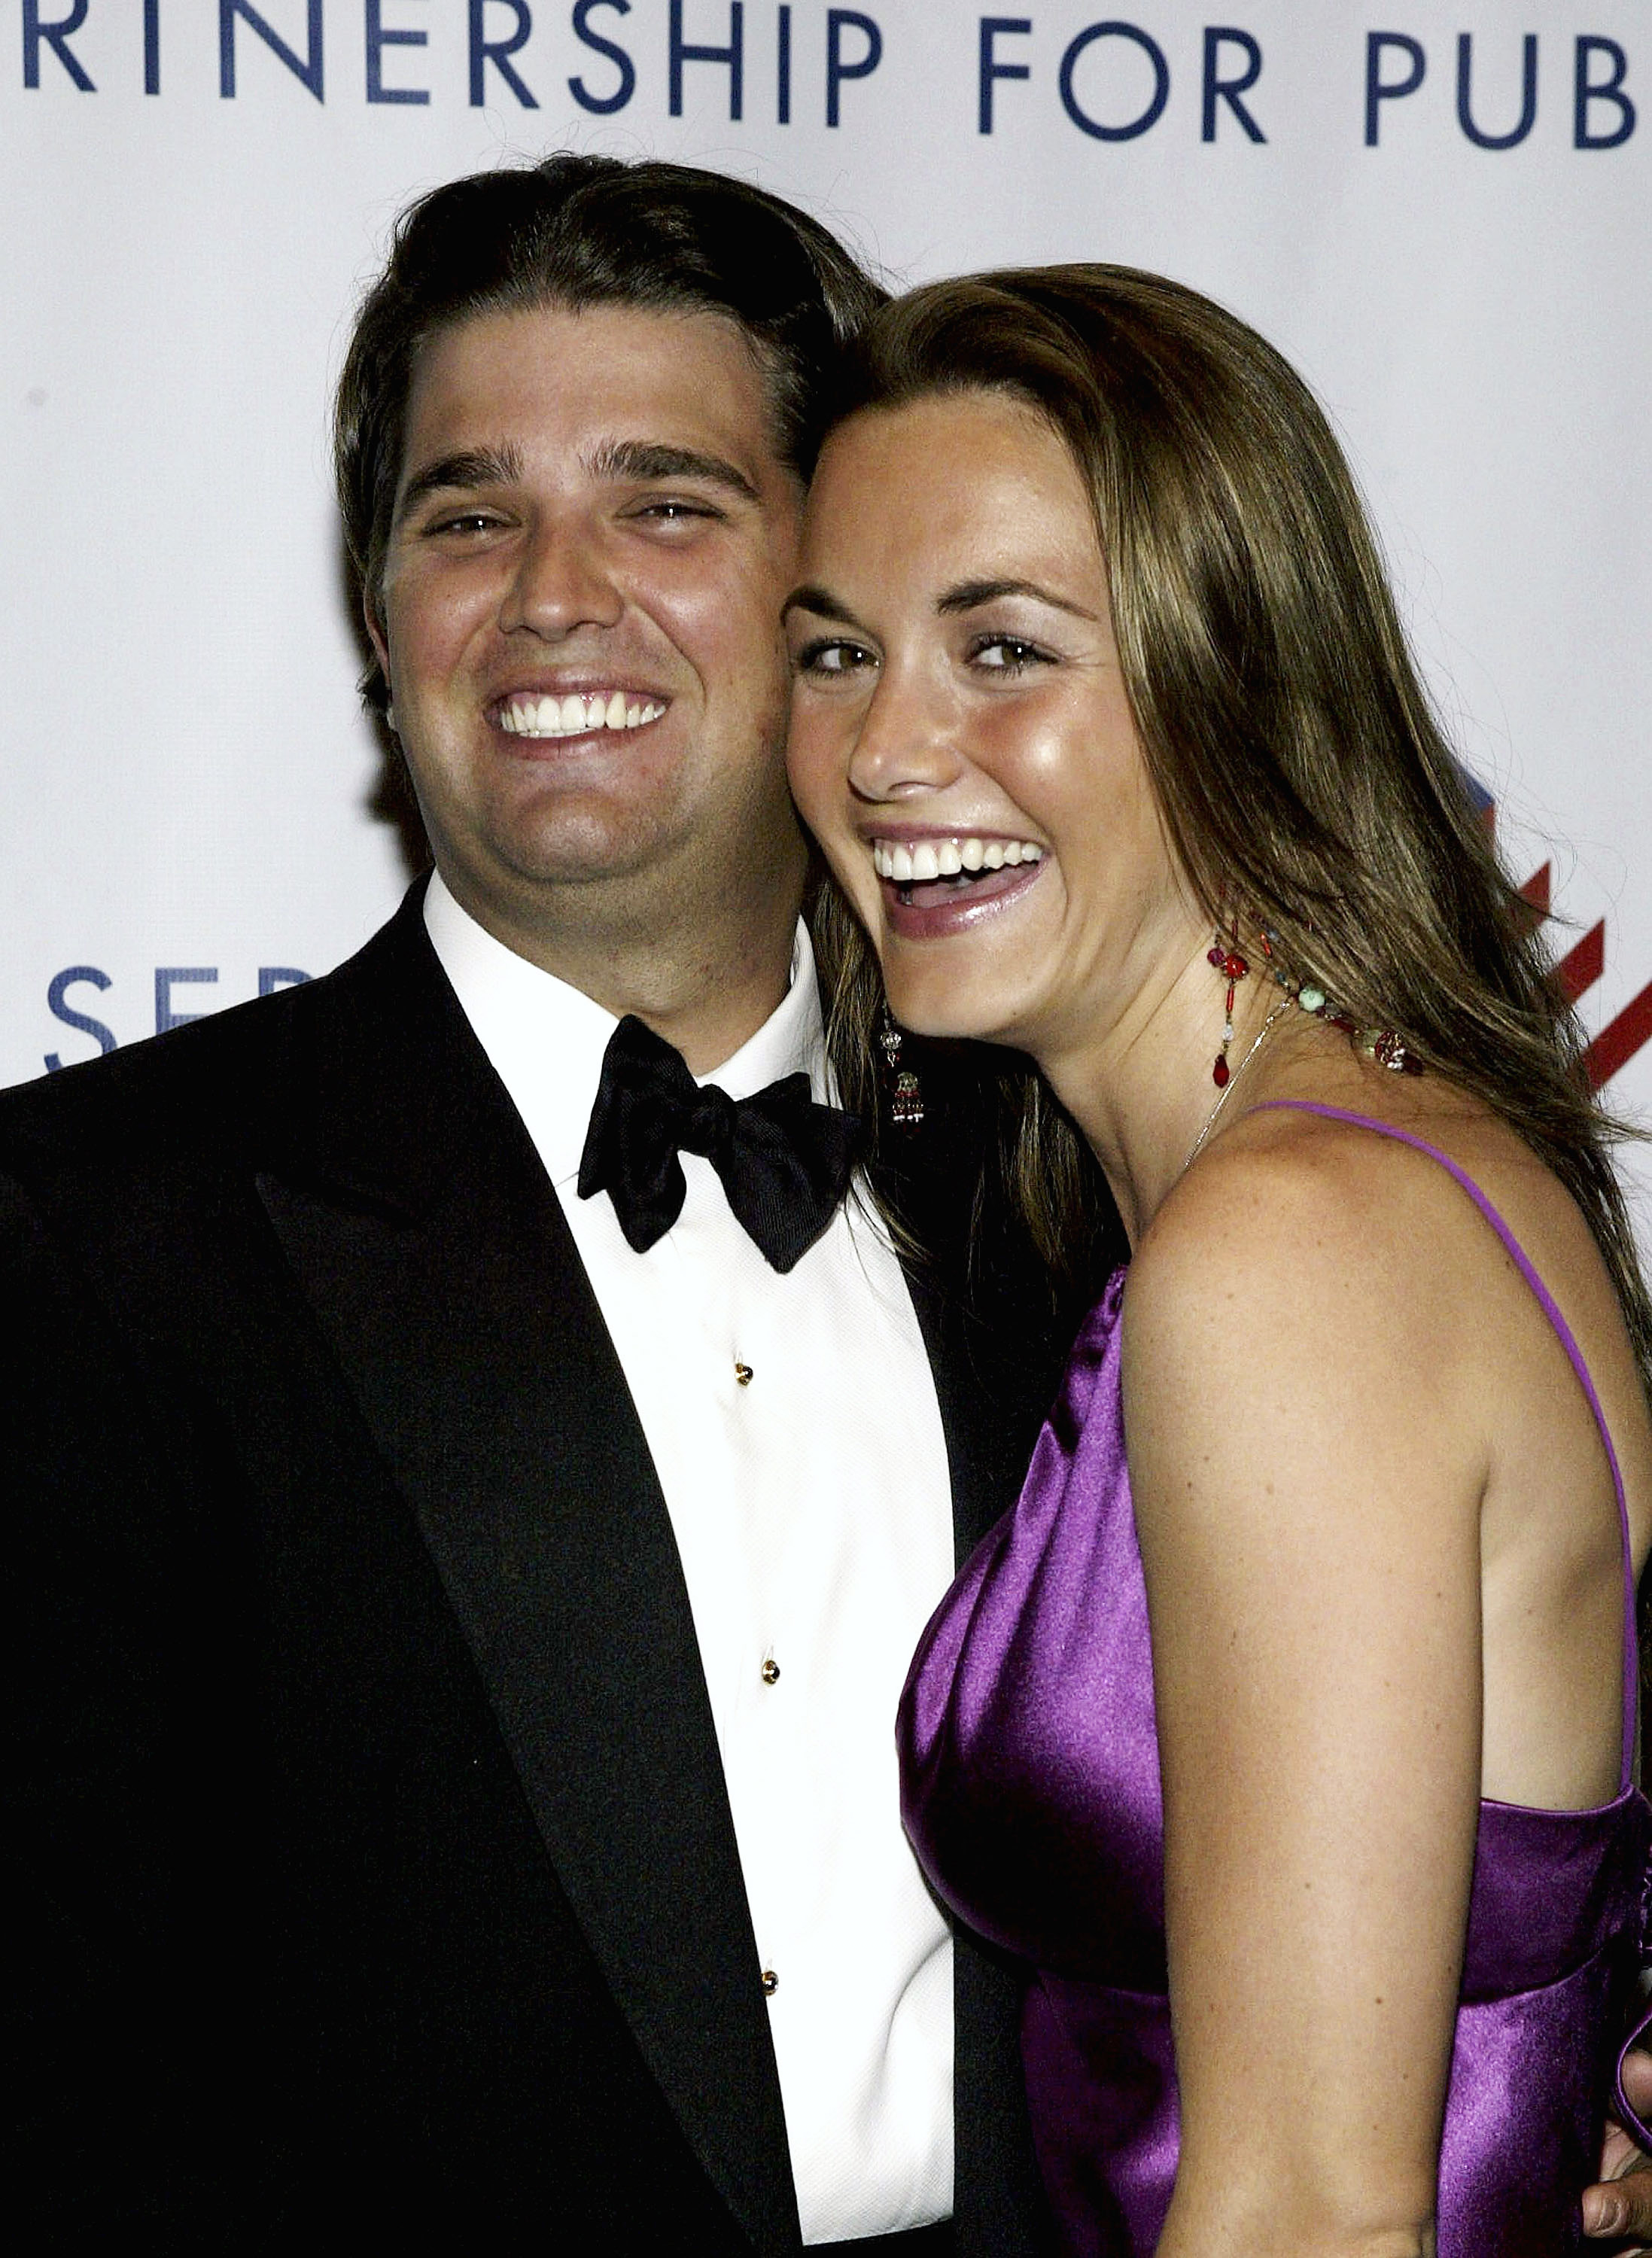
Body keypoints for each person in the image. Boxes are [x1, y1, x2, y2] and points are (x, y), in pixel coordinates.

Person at [3, 155, 1104, 2250]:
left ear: (836, 600)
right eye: (467, 511)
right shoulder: (82, 1240)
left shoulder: (1084, 1215)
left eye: (664, 502)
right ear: (378, 617)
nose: (553, 594)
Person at [785, 263, 1652, 2256]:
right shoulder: (1357, 1169)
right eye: (835, 653)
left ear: (1230, 672)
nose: (884, 750)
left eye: (998, 650)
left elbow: (1301, 2213)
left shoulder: (1289, 1251)